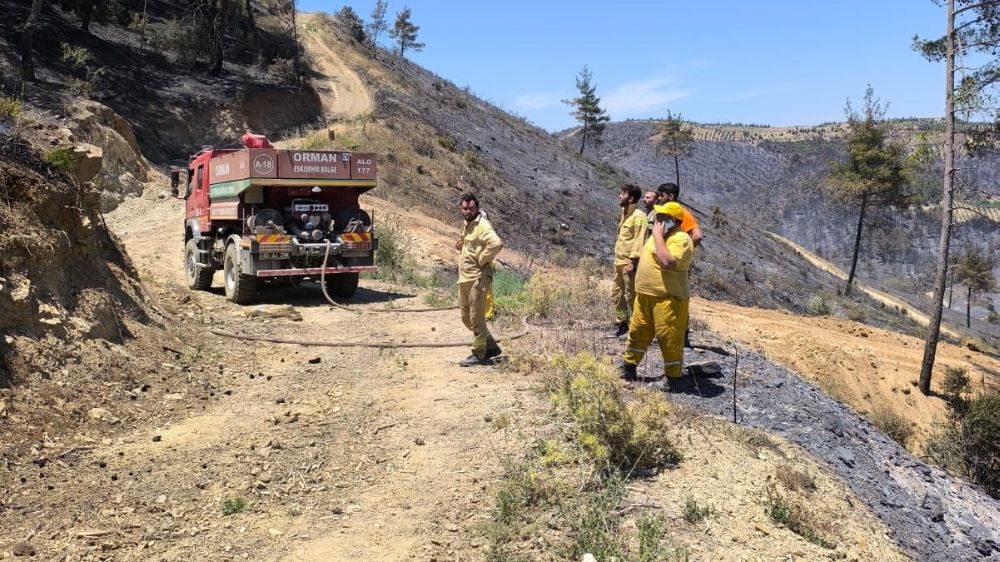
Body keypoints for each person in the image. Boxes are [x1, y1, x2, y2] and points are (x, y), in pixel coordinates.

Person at [620, 202, 693, 387]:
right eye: (658, 216)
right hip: (645, 295)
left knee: (668, 336)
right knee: (637, 331)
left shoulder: (681, 239)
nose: (658, 220)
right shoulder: (657, 236)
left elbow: (668, 262)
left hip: (668, 298)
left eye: (663, 217)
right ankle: (629, 367)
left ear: (673, 221)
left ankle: (673, 378)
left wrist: (658, 236)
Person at [454, 194, 504, 367]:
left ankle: (479, 353)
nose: (468, 211)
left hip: (477, 278)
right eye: (465, 208)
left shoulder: (482, 225)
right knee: (466, 318)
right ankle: (491, 347)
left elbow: (496, 243)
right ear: (460, 208)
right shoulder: (467, 224)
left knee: (476, 318)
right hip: (465, 278)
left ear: (477, 208)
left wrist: (483, 259)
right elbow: (471, 242)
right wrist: (462, 244)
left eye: (471, 208)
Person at [611, 184, 648, 337]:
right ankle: (623, 323)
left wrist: (633, 262)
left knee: (632, 296)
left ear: (631, 198)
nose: (619, 196)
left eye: (623, 194)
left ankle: (639, 327)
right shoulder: (624, 213)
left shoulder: (639, 216)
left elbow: (640, 239)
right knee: (617, 293)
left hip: (629, 263)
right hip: (619, 262)